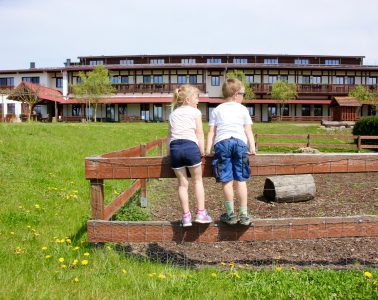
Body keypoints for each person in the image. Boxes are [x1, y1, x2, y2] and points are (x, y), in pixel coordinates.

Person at [206, 78, 256, 226]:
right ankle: (244, 215)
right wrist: (252, 147)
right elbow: (248, 130)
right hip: (240, 143)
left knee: (226, 180)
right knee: (241, 180)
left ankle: (231, 214)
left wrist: (208, 149)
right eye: (242, 93)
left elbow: (211, 132)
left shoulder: (217, 110)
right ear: (235, 94)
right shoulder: (242, 109)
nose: (243, 96)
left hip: (222, 143)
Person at [167, 84, 213, 227]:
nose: (198, 100)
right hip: (190, 147)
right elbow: (199, 133)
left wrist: (170, 153)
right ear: (187, 99)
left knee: (182, 184)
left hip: (175, 149)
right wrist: (202, 150)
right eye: (196, 97)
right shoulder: (195, 112)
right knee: (197, 181)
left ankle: (186, 216)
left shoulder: (172, 114)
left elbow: (169, 135)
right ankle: (201, 213)